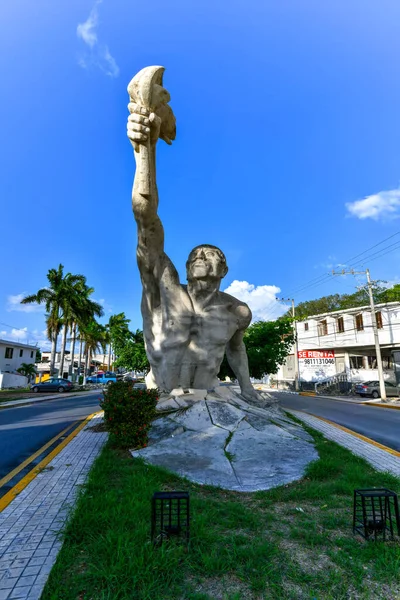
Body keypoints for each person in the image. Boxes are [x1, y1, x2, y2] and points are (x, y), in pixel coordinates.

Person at [127, 99, 260, 403]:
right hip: (162, 396)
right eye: (194, 255)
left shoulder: (237, 312)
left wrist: (247, 389)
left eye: (210, 254)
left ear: (224, 270)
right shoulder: (166, 290)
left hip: (207, 397)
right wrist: (144, 151)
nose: (199, 256)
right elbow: (146, 221)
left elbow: (236, 349)